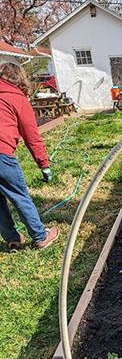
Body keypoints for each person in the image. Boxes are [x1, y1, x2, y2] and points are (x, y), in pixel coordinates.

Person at [0, 62, 59, 250]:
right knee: (19, 196)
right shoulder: (17, 98)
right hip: (1, 155)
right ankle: (41, 236)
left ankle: (12, 239)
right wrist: (44, 165)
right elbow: (32, 136)